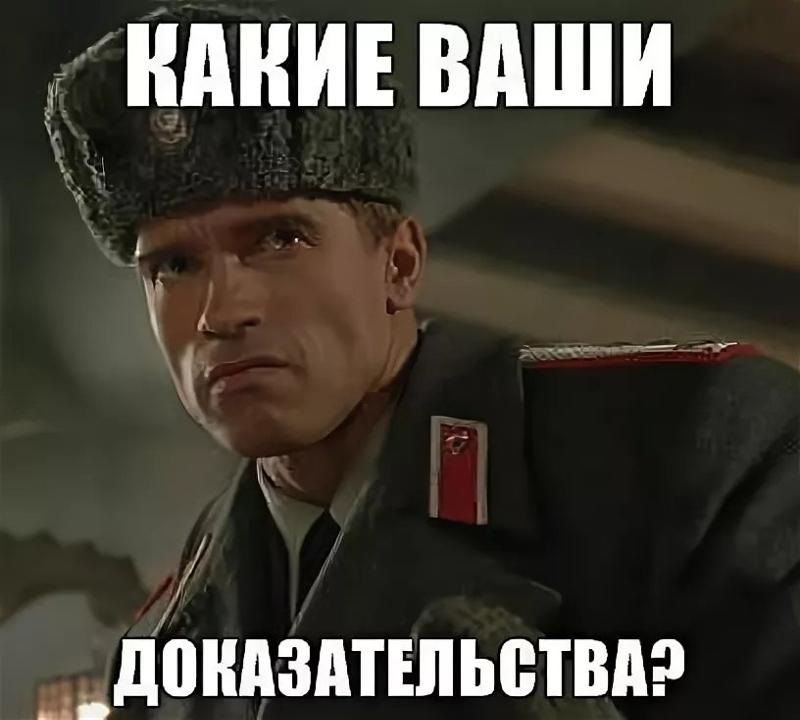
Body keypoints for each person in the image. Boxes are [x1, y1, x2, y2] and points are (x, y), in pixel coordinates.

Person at [45, 3, 799, 719]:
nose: (220, 312)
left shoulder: (698, 452)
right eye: (174, 266)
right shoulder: (163, 650)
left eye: (279, 239)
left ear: (399, 265)